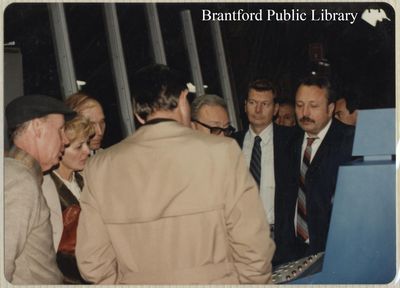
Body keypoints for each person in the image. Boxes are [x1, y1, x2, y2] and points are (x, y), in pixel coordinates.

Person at [75, 64, 275, 284]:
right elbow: (253, 248)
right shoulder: (223, 153)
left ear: (138, 114)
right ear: (182, 99)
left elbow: (93, 262)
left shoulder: (100, 167)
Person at [275, 76, 355, 264]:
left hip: (336, 252)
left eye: (313, 106)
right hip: (291, 254)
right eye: (300, 105)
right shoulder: (287, 144)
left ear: (330, 108)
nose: (305, 113)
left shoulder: (350, 142)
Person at [4, 94, 75, 284]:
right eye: (60, 130)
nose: (66, 140)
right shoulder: (19, 181)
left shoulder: (20, 175)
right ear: (37, 127)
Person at [231, 79, 297, 240]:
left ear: (275, 109)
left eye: (265, 104)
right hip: (240, 236)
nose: (258, 110)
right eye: (253, 102)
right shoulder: (232, 143)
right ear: (245, 105)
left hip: (279, 236)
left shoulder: (292, 140)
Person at [42, 115, 94, 284]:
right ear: (60, 149)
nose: (87, 150)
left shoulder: (85, 178)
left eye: (87, 143)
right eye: (79, 146)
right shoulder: (45, 189)